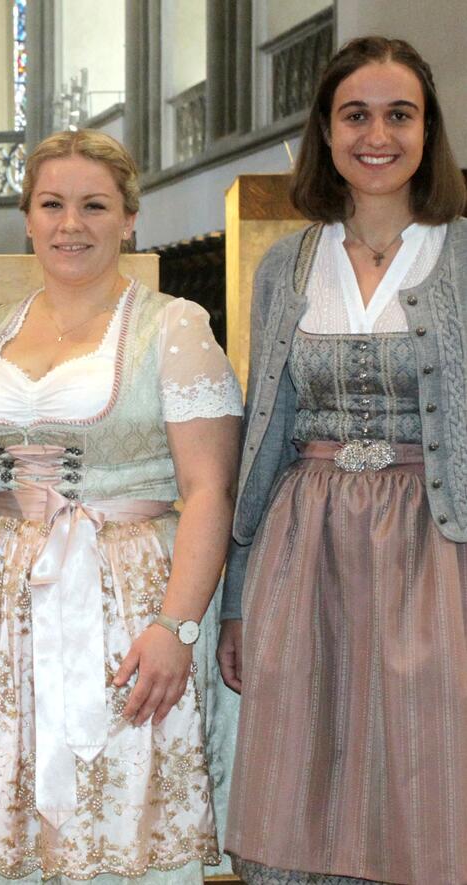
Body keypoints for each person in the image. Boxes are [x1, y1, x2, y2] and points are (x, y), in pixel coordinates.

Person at [0, 129, 242, 882]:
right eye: (53, 204)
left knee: (128, 814)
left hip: (131, 604)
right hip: (8, 611)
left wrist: (177, 625)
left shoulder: (176, 327)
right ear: (28, 217)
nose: (72, 224)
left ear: (129, 217)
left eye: (95, 205)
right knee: (25, 828)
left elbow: (208, 491)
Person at [219, 36, 467, 885]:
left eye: (401, 114)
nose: (378, 134)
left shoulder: (463, 254)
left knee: (428, 777)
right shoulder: (287, 263)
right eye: (355, 114)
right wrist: (235, 597)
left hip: (436, 549)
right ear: (325, 132)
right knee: (303, 776)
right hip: (305, 543)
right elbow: (264, 429)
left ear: (429, 132)